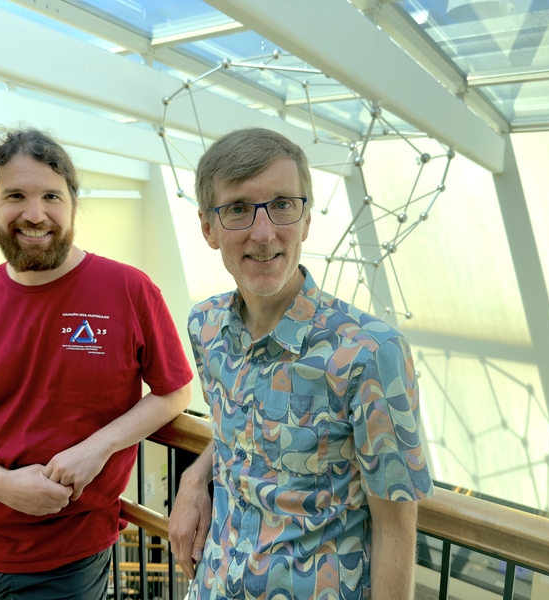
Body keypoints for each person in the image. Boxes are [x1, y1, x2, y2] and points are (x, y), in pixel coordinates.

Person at [0, 128, 193, 599]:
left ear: (73, 203)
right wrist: (2, 486)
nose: (34, 213)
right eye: (15, 196)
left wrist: (99, 447)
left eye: (51, 195)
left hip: (67, 558)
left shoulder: (130, 290)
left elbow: (174, 391)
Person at [168, 128, 434, 599]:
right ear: (208, 229)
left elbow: (396, 525)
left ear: (307, 218)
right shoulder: (205, 327)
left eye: (283, 205)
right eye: (237, 209)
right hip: (212, 583)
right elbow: (237, 425)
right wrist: (195, 475)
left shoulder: (370, 353)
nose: (264, 232)